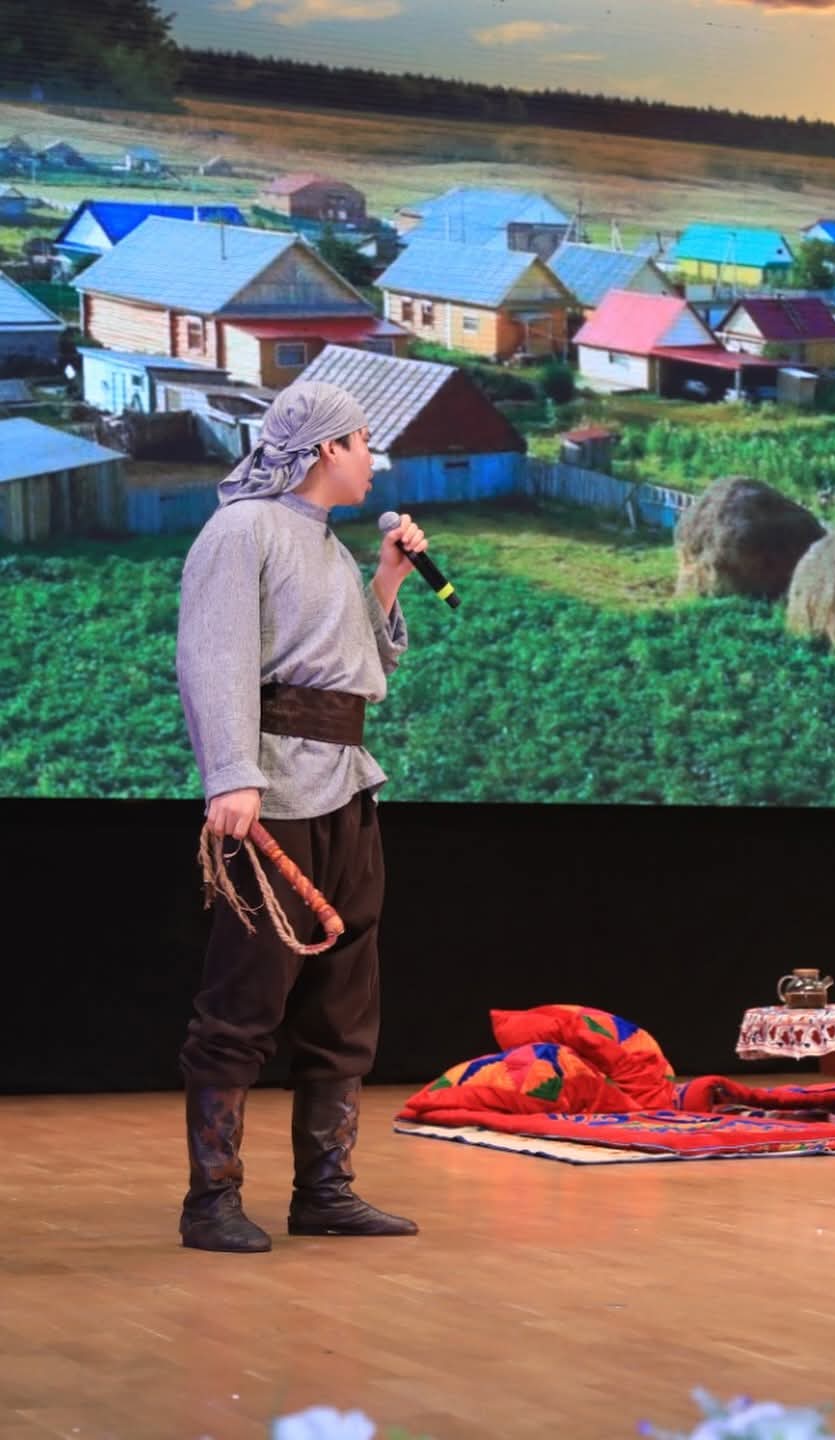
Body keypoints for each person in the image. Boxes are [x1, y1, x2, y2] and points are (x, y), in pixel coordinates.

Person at [175, 379, 427, 1252]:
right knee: (246, 994)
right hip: (274, 791)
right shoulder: (242, 529)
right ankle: (211, 1200)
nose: (372, 461)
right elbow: (213, 655)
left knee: (344, 999)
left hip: (346, 783)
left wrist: (387, 579)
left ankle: (326, 1190)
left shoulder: (324, 541)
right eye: (362, 442)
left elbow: (355, 666)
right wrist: (231, 774)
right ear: (326, 448)